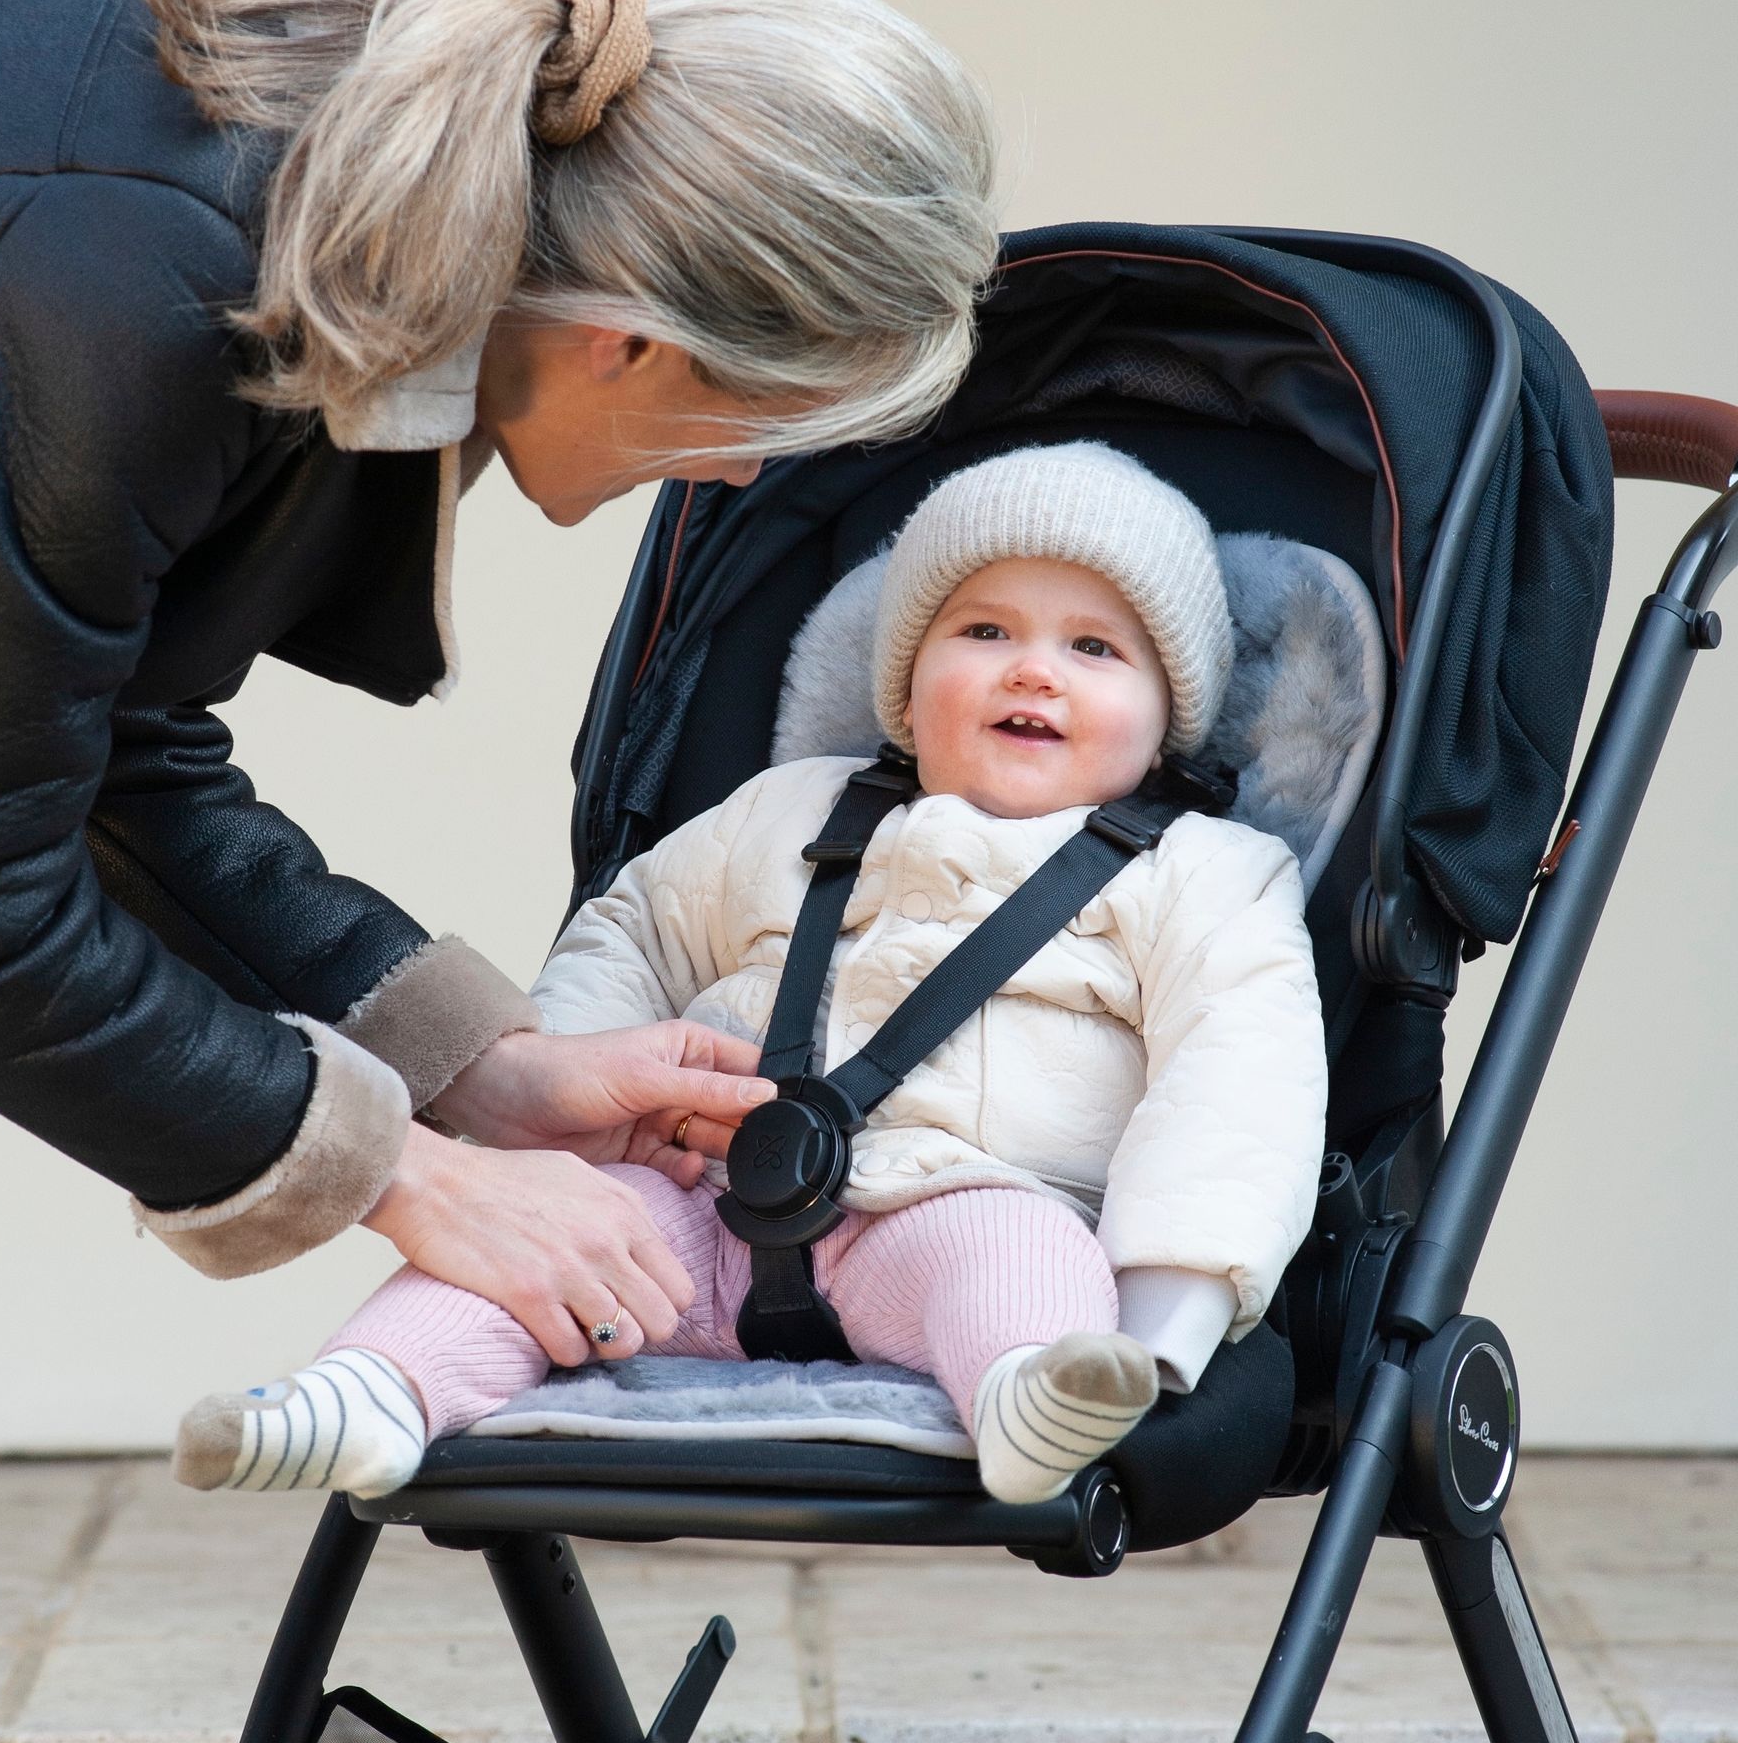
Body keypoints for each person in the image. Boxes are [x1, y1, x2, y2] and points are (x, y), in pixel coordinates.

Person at [0, 0, 998, 1354]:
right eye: (765, 419)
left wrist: (470, 1068)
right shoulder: (139, 276)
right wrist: (411, 1181)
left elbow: (82, 742)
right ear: (627, 339)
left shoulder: (324, 209)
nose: (745, 473)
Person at [177, 445, 1329, 1506]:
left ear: (1171, 706)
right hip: (704, 1209)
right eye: (982, 632)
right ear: (905, 672)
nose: (1033, 670)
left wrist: (1172, 1298)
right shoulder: (785, 813)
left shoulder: (1204, 873)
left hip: (961, 1205)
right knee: (545, 1238)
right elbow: (632, 933)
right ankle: (370, 1392)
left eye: (1094, 647)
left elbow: (1238, 1082)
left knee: (1021, 1261)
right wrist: (562, 1108)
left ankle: (1028, 1396)